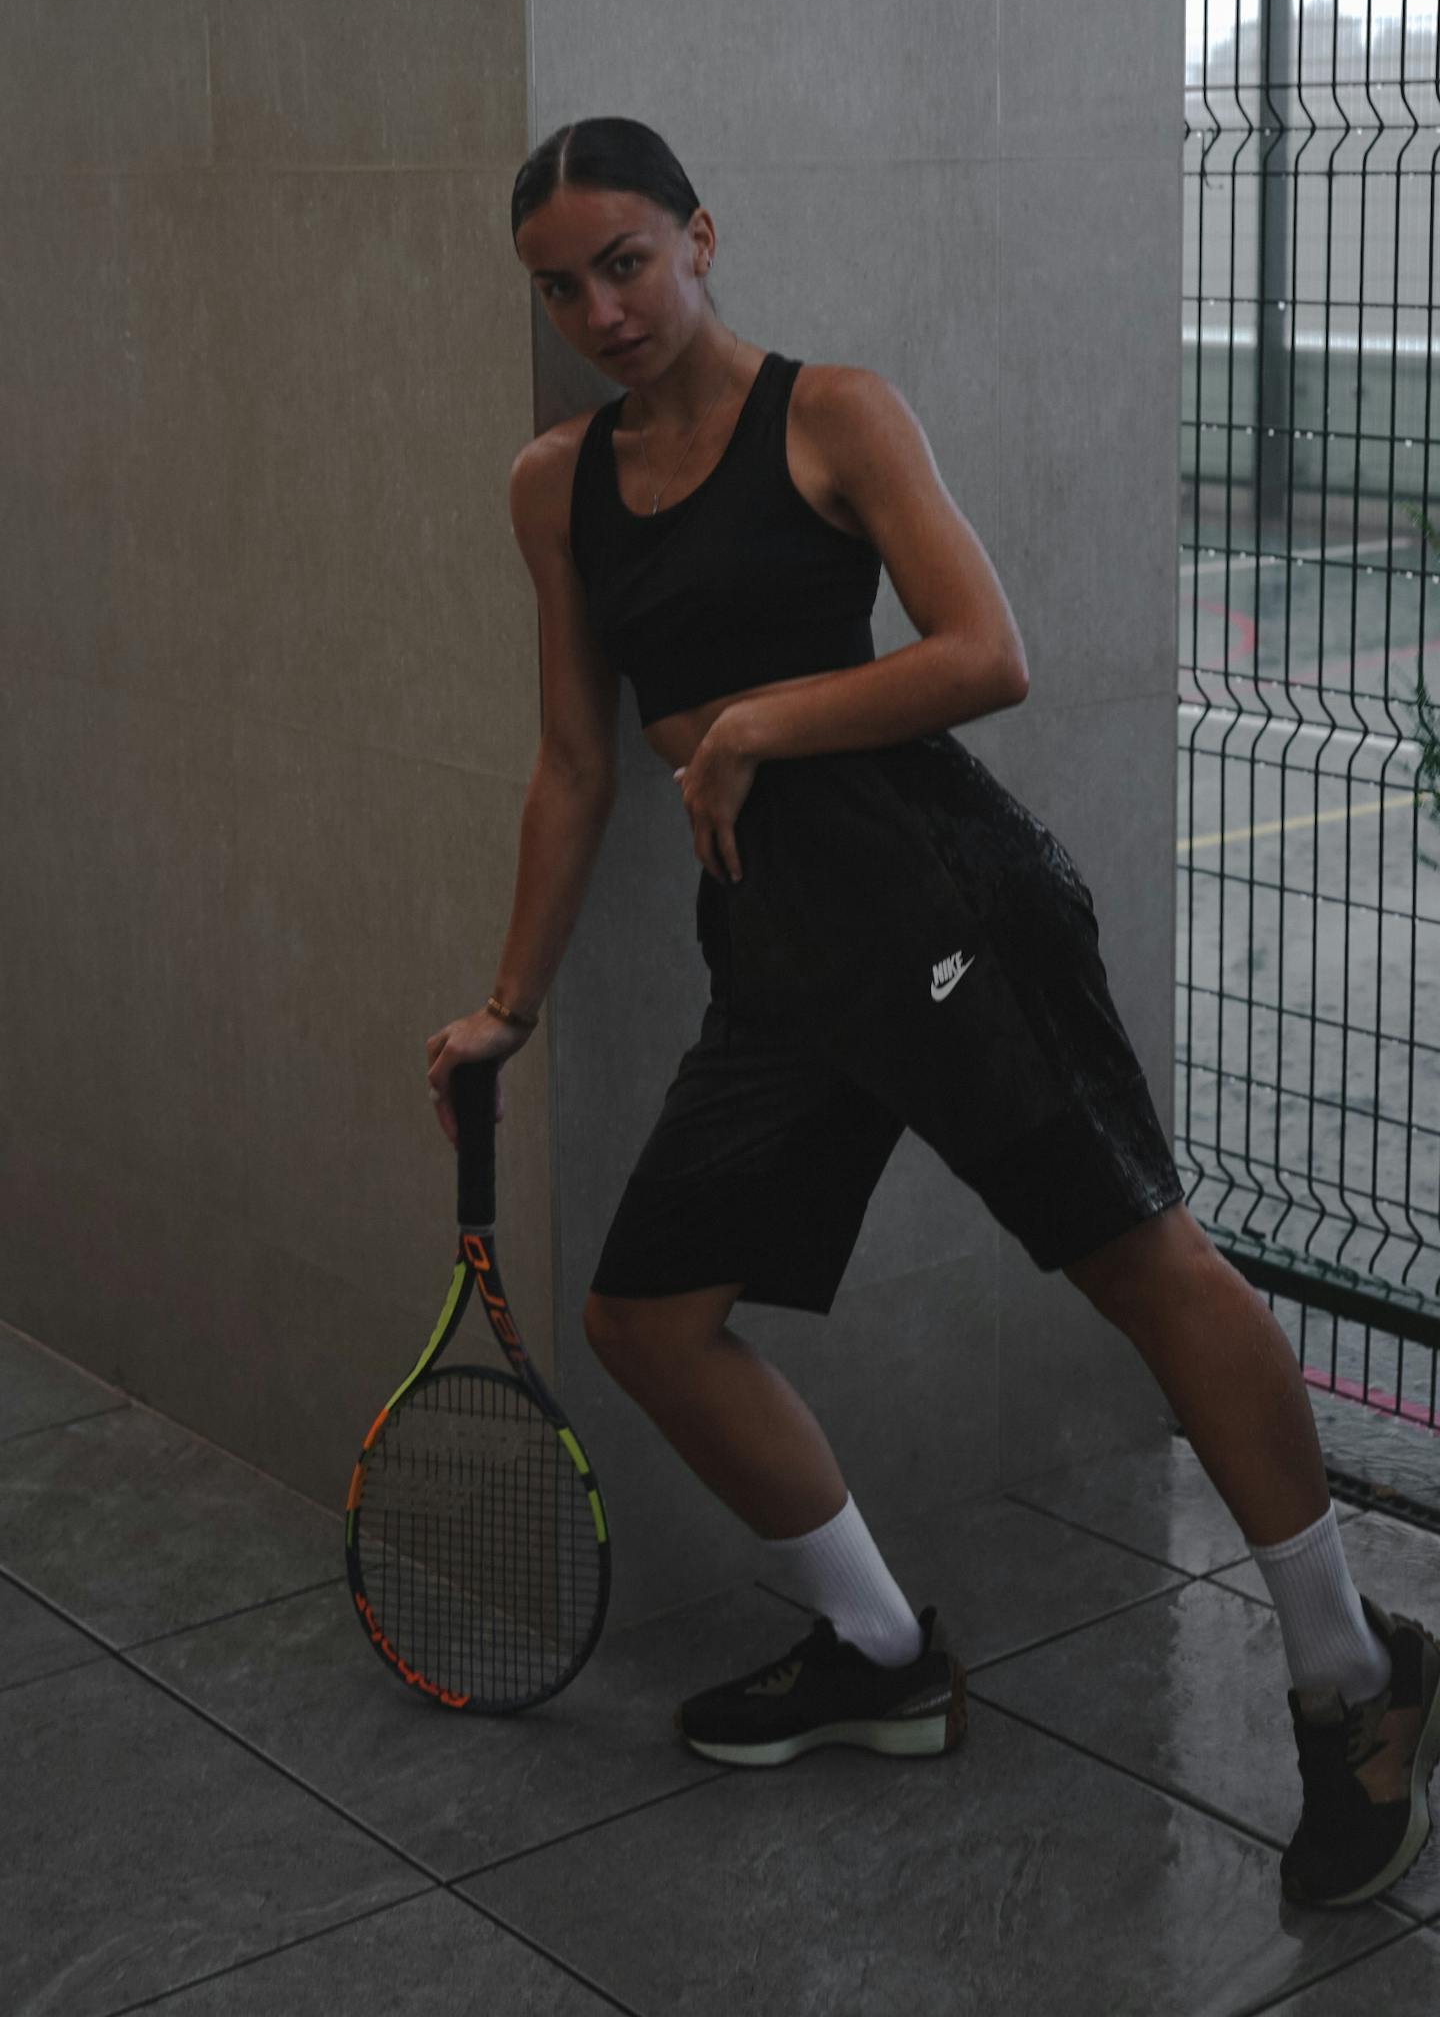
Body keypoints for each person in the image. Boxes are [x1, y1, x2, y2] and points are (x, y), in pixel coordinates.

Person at [424, 115, 1440, 1911]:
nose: (600, 306)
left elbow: (987, 652)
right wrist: (509, 1003)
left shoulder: (834, 413)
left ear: (701, 238)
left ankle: (1353, 1679)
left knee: (1142, 1263)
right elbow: (574, 763)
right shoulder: (555, 483)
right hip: (785, 956)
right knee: (650, 1317)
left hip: (948, 902)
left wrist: (750, 723)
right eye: (563, 285)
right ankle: (883, 1652)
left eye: (627, 262)